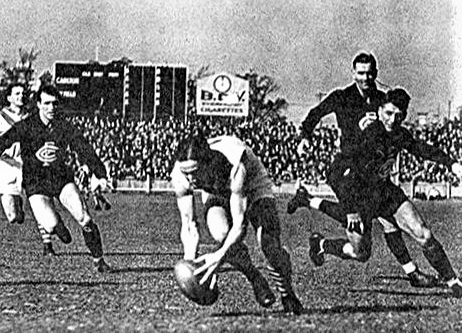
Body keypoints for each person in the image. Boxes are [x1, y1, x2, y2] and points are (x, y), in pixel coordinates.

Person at [289, 52, 437, 287]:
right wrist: (305, 135)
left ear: (376, 73)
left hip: (370, 171)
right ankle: (313, 212)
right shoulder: (342, 97)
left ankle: (412, 273)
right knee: (361, 231)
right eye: (361, 73)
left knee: (382, 224)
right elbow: (316, 113)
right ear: (353, 73)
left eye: (370, 73)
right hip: (346, 171)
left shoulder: (382, 99)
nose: (365, 77)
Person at [307, 88, 462, 297]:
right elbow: (338, 176)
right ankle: (322, 244)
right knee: (360, 253)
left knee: (423, 233)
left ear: (405, 115)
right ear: (380, 111)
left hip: (385, 192)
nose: (392, 119)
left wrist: (451, 163)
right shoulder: (365, 137)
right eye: (388, 113)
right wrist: (351, 211)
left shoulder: (399, 134)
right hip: (360, 199)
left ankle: (453, 281)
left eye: (398, 115)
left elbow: (421, 148)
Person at [0, 84, 113, 273]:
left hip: (61, 179)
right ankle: (58, 228)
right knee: (51, 224)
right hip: (36, 184)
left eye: (55, 104)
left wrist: (101, 174)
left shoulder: (64, 126)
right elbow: (0, 143)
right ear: (38, 104)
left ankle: (99, 261)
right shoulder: (26, 126)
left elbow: (84, 148)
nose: (51, 108)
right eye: (46, 103)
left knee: (85, 218)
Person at [173, 135, 303, 314]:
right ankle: (255, 277)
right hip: (218, 189)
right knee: (220, 233)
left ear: (207, 162)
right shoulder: (180, 175)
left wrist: (219, 257)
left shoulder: (235, 163)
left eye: (194, 171)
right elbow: (188, 225)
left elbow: (240, 226)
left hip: (253, 186)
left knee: (268, 244)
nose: (190, 178)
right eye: (186, 172)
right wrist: (191, 264)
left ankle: (287, 293)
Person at [0, 84, 55, 255]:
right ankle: (18, 208)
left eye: (23, 93)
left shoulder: (32, 118)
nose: (21, 96)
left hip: (29, 165)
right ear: (9, 98)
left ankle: (47, 244)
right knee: (13, 217)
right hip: (6, 167)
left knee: (40, 203)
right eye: (17, 93)